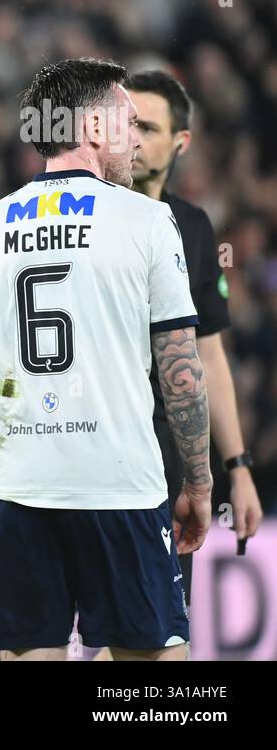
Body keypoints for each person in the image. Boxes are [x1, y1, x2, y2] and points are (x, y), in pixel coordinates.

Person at [0, 58, 210, 661]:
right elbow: (181, 370)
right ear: (93, 127)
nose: (136, 138)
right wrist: (200, 480)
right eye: (128, 122)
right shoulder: (149, 220)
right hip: (122, 491)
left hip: (18, 495)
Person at [126, 69, 263, 589]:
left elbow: (209, 360)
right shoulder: (81, 216)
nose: (132, 139)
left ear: (181, 142)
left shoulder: (194, 229)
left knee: (160, 633)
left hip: (165, 462)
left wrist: (239, 467)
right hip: (78, 454)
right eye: (124, 125)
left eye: (147, 127)